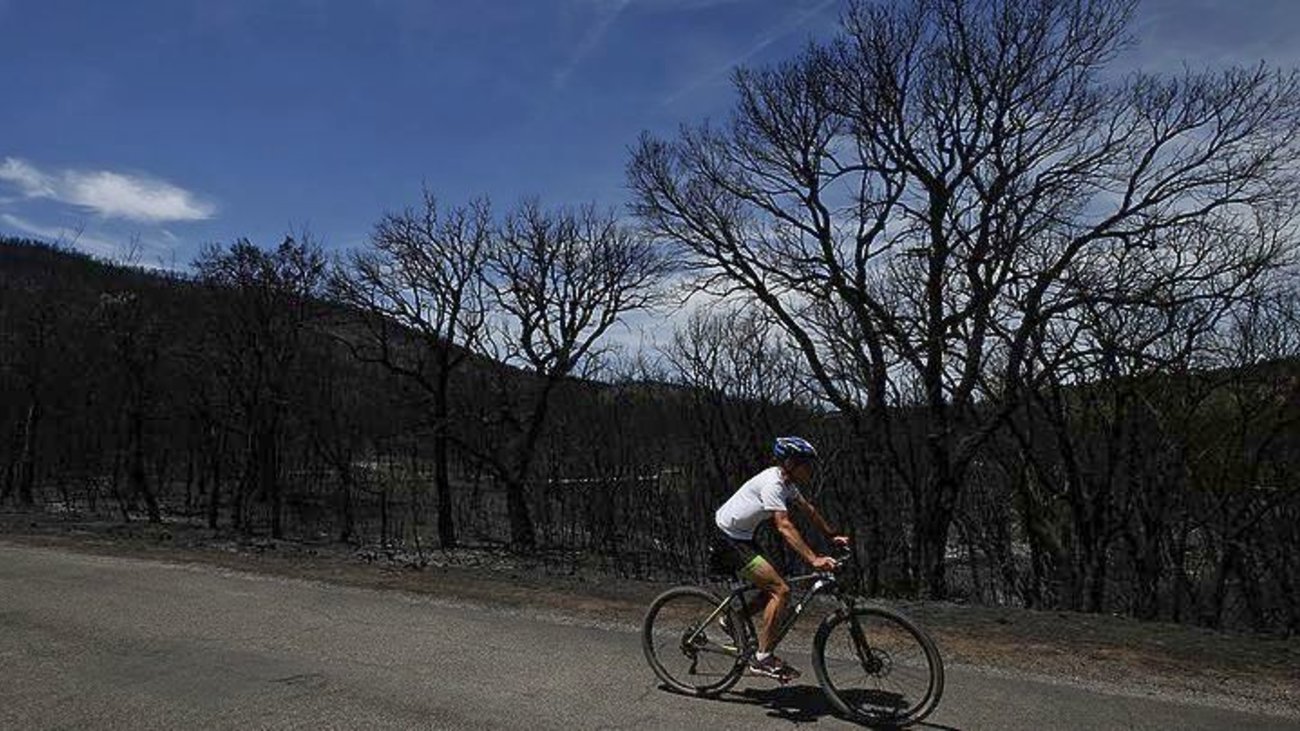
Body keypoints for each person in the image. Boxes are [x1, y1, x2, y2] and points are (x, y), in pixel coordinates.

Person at [712, 436, 848, 680]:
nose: (811, 469)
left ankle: (734, 619)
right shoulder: (773, 484)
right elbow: (784, 526)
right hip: (728, 538)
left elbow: (809, 510)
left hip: (742, 536)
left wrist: (832, 535)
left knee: (774, 583)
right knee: (781, 591)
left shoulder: (788, 483)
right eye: (806, 464)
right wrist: (814, 559)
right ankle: (762, 659)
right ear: (791, 463)